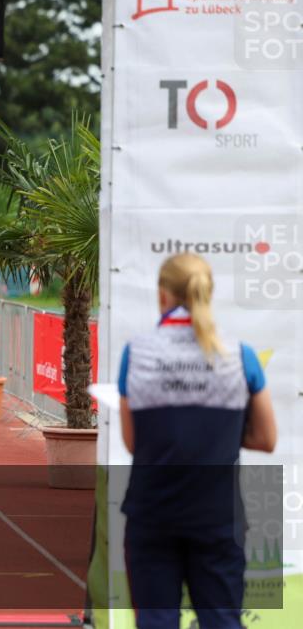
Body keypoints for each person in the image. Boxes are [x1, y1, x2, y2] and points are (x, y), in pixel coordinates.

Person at [118, 253, 277, 629]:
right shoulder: (240, 356)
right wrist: (219, 435)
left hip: (152, 514)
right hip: (218, 517)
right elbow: (267, 438)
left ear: (162, 295)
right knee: (222, 621)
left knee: (156, 621)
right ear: (208, 294)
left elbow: (131, 442)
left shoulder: (136, 354)